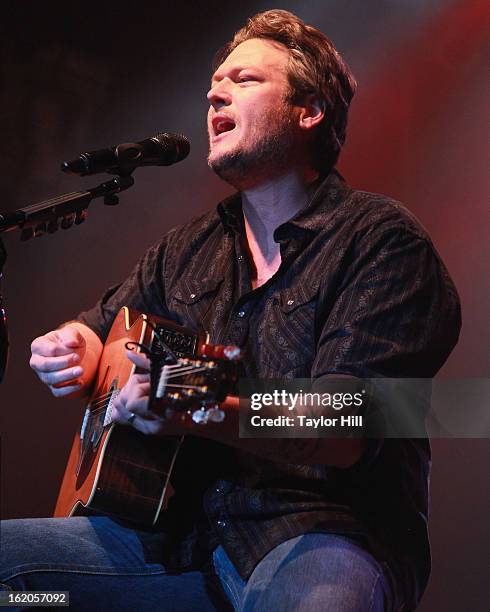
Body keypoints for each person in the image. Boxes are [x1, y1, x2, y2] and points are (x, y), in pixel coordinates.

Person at [3, 9, 460, 612]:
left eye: (244, 80)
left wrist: (195, 411)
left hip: (320, 535)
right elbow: (99, 328)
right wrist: (71, 349)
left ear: (310, 110)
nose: (216, 91)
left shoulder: (380, 241)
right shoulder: (189, 247)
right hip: (174, 543)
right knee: (18, 584)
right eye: (213, 85)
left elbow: (344, 422)